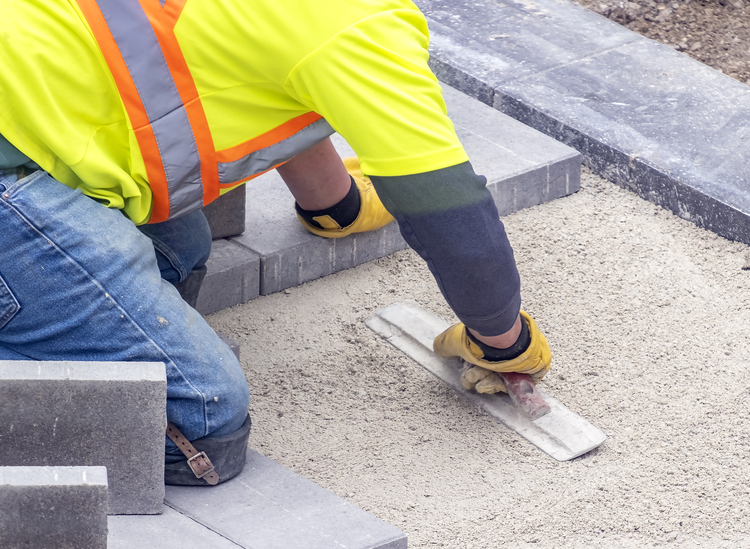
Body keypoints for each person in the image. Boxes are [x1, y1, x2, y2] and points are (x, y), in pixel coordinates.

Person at [0, 0, 550, 486]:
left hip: (29, 126)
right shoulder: (362, 26)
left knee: (177, 253)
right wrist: (502, 338)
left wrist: (338, 205)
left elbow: (276, 61)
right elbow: (452, 215)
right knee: (202, 418)